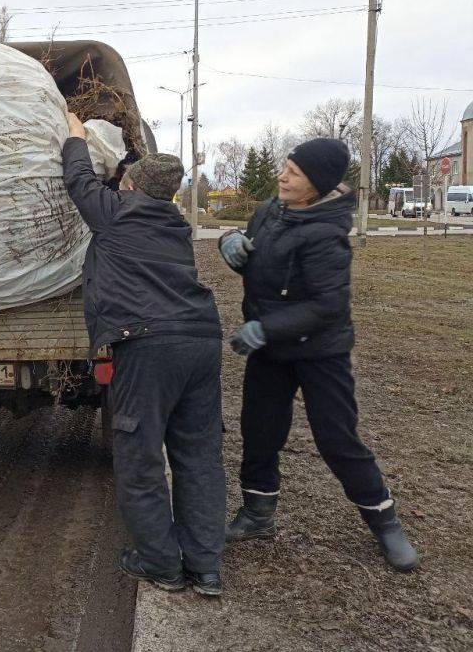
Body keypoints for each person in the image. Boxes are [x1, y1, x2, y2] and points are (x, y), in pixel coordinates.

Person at [219, 138, 420, 572]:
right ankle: (257, 514)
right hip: (272, 350)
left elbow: (328, 307)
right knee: (259, 430)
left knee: (336, 439)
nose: (282, 177)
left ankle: (385, 522)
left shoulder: (327, 235)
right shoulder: (272, 211)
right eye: (285, 168)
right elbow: (249, 245)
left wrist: (265, 327)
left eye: (293, 173)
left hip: (320, 352)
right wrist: (230, 240)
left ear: (316, 184)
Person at [61, 112, 226, 597]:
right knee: (198, 455)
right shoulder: (176, 227)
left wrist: (75, 135)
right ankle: (205, 566)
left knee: (140, 456)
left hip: (149, 345)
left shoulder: (116, 212)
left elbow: (78, 178)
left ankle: (160, 563)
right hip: (200, 342)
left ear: (129, 185)